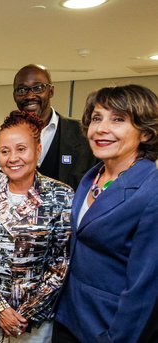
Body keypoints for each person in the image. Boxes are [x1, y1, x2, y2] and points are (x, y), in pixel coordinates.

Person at [53, 85, 158, 343]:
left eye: (118, 119)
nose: (101, 128)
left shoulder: (150, 190)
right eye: (97, 118)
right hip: (68, 318)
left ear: (145, 132)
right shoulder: (92, 177)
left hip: (111, 328)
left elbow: (144, 289)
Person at [0, 111, 74, 342]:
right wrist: (0, 309)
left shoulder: (61, 196)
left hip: (35, 317)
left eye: (21, 149)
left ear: (38, 150)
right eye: (5, 151)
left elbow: (61, 264)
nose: (13, 158)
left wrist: (25, 314)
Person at [13, 64, 96, 189]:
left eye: (38, 88)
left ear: (50, 91)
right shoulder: (4, 139)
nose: (29, 96)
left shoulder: (84, 134)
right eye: (21, 90)